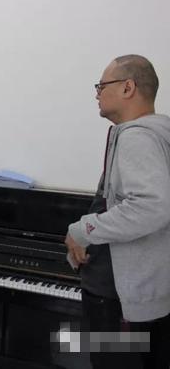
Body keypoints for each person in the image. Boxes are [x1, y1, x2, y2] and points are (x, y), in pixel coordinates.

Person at [65, 55, 170, 369]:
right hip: (144, 293)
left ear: (128, 88)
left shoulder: (137, 137)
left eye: (102, 86)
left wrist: (82, 230)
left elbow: (151, 206)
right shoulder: (156, 134)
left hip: (117, 301)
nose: (97, 94)